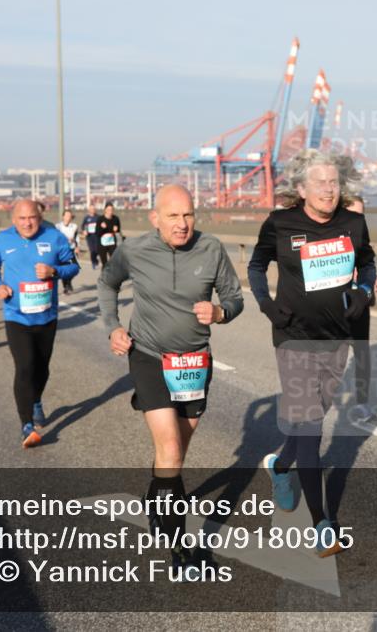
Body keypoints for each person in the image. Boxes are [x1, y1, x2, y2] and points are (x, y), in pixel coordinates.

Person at [98, 184, 243, 576]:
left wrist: (220, 313)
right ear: (155, 218)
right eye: (174, 216)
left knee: (175, 453)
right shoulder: (134, 250)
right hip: (149, 356)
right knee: (171, 450)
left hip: (195, 362)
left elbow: (235, 297)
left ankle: (156, 492)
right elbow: (107, 282)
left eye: (189, 215)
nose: (182, 224)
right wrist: (112, 326)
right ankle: (179, 549)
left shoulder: (211, 248)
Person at [247, 149, 376, 558]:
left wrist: (363, 290)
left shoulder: (353, 224)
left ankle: (280, 466)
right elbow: (256, 264)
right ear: (301, 189)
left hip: (335, 340)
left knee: (310, 419)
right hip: (293, 337)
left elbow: (368, 263)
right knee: (312, 427)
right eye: (320, 183)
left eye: (334, 183)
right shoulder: (280, 223)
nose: (329, 190)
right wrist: (266, 304)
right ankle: (321, 522)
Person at [0, 199, 79, 448]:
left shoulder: (55, 237)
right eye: (22, 218)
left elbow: (73, 266)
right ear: (14, 219)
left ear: (39, 216)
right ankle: (26, 424)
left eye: (32, 218)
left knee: (42, 368)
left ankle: (36, 399)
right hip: (16, 315)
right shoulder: (3, 239)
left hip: (46, 316)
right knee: (25, 366)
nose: (28, 223)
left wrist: (54, 272)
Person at [342, 195, 377, 419]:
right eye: (354, 214)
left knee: (361, 353)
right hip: (333, 307)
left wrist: (373, 279)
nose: (358, 218)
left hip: (358, 305)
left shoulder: (361, 237)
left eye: (362, 214)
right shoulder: (330, 238)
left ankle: (362, 403)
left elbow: (366, 265)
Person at [54, 210, 79, 294]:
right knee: (65, 269)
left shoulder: (74, 226)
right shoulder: (57, 227)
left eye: (70, 216)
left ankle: (68, 283)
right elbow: (55, 238)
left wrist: (77, 247)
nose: (68, 218)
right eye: (67, 215)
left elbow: (76, 237)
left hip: (71, 249)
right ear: (63, 216)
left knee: (76, 268)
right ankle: (66, 286)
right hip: (61, 251)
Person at [96, 202, 121, 267]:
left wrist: (116, 230)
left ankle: (113, 276)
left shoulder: (116, 219)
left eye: (112, 210)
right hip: (102, 244)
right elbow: (97, 233)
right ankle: (104, 276)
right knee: (105, 263)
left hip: (112, 243)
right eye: (109, 210)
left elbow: (118, 230)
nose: (110, 211)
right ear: (105, 210)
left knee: (114, 261)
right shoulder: (100, 219)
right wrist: (102, 228)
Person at [81, 204, 101, 270]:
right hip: (89, 236)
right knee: (92, 250)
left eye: (93, 209)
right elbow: (82, 226)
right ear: (89, 210)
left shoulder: (98, 217)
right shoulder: (86, 218)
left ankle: (95, 260)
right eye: (91, 209)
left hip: (97, 236)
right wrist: (84, 231)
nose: (92, 210)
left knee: (97, 250)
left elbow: (102, 225)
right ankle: (93, 262)